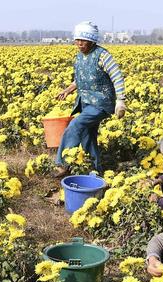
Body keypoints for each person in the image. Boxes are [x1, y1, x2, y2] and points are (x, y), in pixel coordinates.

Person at [54, 21, 126, 176]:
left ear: (92, 40)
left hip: (101, 103)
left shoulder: (103, 55)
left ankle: (62, 162)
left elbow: (117, 77)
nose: (80, 43)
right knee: (88, 134)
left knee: (76, 124)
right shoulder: (79, 57)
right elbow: (79, 79)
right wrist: (67, 90)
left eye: (84, 40)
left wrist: (120, 101)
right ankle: (94, 169)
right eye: (77, 40)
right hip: (86, 102)